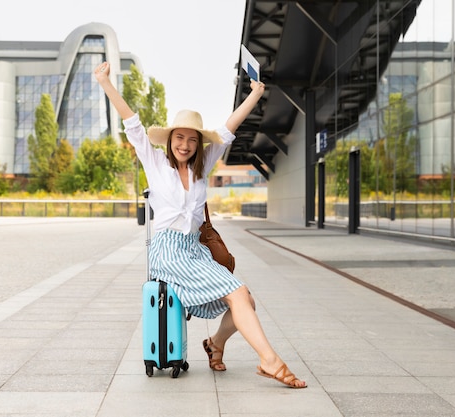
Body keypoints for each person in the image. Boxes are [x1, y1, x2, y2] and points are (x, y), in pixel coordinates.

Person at [94, 62, 306, 389]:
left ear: (198, 144)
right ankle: (270, 360)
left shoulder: (202, 165)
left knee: (244, 299)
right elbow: (132, 124)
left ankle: (215, 344)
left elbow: (228, 127)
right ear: (170, 140)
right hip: (168, 251)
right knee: (238, 294)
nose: (185, 145)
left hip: (195, 250)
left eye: (192, 140)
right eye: (179, 138)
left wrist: (255, 96)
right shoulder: (155, 163)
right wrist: (105, 82)